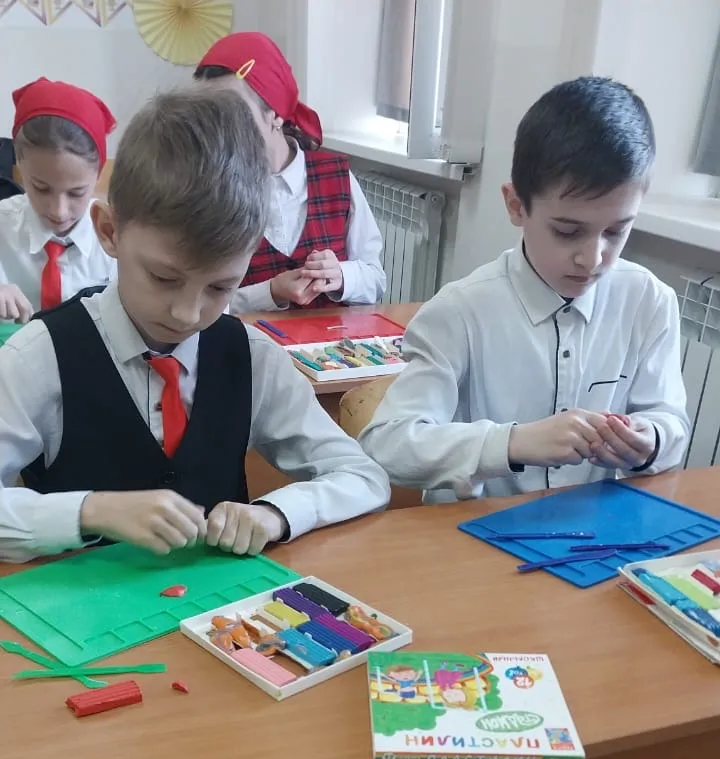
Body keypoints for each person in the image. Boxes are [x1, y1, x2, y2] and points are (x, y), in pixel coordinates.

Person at [0, 88, 389, 563]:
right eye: (164, 278)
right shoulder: (40, 356)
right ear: (109, 231)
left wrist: (277, 513)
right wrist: (89, 511)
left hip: (227, 606)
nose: (186, 314)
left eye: (221, 287)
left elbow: (363, 477)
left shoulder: (251, 357)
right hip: (68, 602)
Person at [359, 77, 690, 501]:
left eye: (616, 231)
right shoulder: (460, 312)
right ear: (516, 206)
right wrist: (511, 444)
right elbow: (388, 444)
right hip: (476, 529)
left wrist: (652, 439)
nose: (592, 258)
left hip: (594, 527)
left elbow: (670, 421)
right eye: (567, 231)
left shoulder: (649, 301)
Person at [194, 32, 386, 312]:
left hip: (331, 339)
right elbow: (201, 306)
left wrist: (342, 276)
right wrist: (270, 292)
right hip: (249, 338)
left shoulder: (336, 178)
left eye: (232, 112)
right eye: (208, 115)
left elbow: (376, 280)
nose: (218, 128)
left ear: (274, 114)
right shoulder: (211, 192)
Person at [0, 77, 116, 322]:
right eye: (41, 188)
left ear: (98, 174)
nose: (59, 211)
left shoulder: (119, 239)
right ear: (19, 164)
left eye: (76, 193)